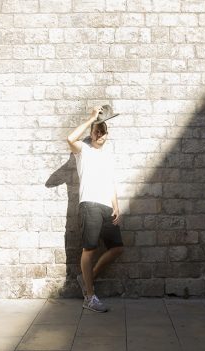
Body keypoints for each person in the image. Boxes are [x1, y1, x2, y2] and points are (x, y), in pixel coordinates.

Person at [66, 105, 124, 312]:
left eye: (103, 131)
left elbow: (111, 182)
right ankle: (90, 297)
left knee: (117, 247)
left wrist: (116, 205)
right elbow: (70, 139)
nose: (99, 135)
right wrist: (91, 119)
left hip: (107, 207)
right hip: (89, 204)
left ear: (107, 135)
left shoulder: (108, 156)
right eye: (96, 131)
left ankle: (86, 279)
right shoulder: (83, 150)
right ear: (91, 133)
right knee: (89, 249)